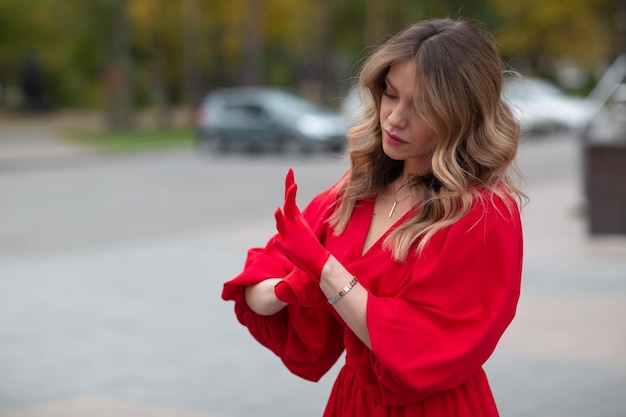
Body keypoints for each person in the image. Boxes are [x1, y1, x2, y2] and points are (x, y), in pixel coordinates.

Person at [222, 17, 525, 417]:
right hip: (353, 403)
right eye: (390, 95)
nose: (394, 118)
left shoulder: (482, 214)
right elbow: (255, 291)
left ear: (461, 115)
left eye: (420, 106)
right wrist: (287, 288)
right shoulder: (354, 194)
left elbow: (422, 349)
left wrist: (325, 272)